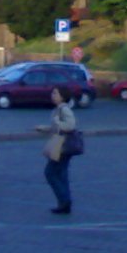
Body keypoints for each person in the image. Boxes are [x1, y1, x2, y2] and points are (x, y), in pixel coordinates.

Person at [36, 87, 77, 215]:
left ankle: (64, 200)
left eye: (55, 93)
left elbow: (70, 126)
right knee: (61, 173)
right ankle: (64, 202)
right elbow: (57, 127)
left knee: (50, 173)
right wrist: (44, 128)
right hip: (62, 144)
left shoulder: (64, 109)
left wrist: (57, 122)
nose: (52, 95)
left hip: (61, 145)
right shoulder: (59, 109)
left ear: (62, 96)